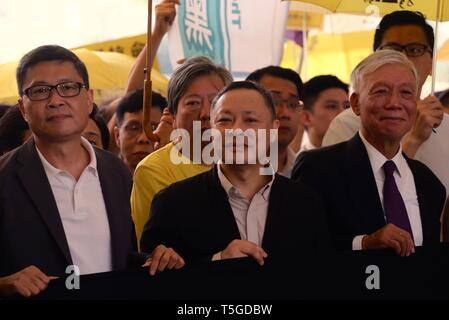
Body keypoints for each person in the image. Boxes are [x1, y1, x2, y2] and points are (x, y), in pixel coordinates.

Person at [140, 81, 329, 275]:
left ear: (273, 129)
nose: (236, 131)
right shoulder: (173, 203)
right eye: (224, 120)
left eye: (250, 120)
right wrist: (217, 261)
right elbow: (151, 279)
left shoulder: (306, 202)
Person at [0, 45, 140, 297]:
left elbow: (122, 255)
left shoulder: (115, 171)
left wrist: (154, 259)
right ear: (22, 108)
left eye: (68, 87)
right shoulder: (4, 178)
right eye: (40, 91)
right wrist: (5, 284)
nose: (55, 100)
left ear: (88, 99)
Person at [292, 50, 446, 256]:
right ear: (355, 103)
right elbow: (298, 248)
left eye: (406, 93)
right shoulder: (319, 168)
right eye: (381, 91)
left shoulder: (429, 184)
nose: (394, 103)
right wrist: (363, 244)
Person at [322, 10, 448, 195]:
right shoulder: (347, 123)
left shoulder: (446, 127)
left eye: (415, 50)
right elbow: (342, 198)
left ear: (431, 63)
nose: (404, 58)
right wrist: (412, 139)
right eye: (392, 50)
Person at [131, 56, 233, 245]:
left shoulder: (245, 163)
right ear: (173, 114)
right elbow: (159, 252)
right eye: (193, 103)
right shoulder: (153, 170)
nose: (205, 114)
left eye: (215, 102)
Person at [246, 66, 303, 177]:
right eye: (274, 102)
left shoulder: (305, 173)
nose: (285, 113)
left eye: (292, 104)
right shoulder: (225, 172)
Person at [114, 89, 166, 172]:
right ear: (117, 136)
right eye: (134, 128)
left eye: (153, 128)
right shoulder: (101, 180)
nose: (144, 139)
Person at [299, 75, 349, 152]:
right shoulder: (295, 162)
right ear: (306, 117)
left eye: (347, 106)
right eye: (332, 106)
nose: (343, 113)